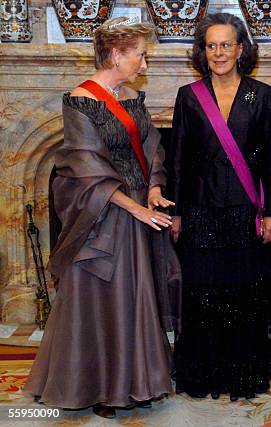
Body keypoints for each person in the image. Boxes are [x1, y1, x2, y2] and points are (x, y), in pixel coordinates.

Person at [24, 17, 180, 419]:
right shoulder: (80, 101)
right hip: (100, 215)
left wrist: (155, 189)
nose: (144, 65)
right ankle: (97, 387)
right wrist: (135, 208)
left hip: (137, 212)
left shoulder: (130, 97)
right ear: (116, 54)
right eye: (140, 56)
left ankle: (133, 383)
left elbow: (152, 146)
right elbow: (88, 167)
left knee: (134, 298)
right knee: (103, 300)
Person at [169, 13, 271, 401]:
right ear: (203, 51)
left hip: (244, 210)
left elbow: (270, 160)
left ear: (241, 49)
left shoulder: (261, 94)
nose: (218, 52)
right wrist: (178, 212)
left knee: (243, 292)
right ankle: (205, 372)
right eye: (211, 45)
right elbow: (179, 158)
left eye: (226, 44)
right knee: (204, 291)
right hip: (200, 210)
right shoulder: (189, 95)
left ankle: (241, 373)